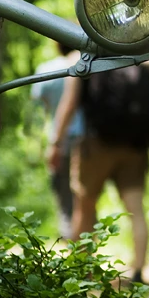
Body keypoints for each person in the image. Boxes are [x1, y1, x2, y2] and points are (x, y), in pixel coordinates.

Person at [46, 63, 149, 284]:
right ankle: (138, 270)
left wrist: (56, 143)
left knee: (85, 207)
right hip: (135, 146)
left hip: (95, 144)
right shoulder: (138, 60)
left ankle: (82, 270)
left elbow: (69, 105)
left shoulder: (87, 62)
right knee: (136, 209)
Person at [31, 43, 84, 239]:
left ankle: (69, 234)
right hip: (87, 137)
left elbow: (40, 111)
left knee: (62, 189)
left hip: (60, 138)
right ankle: (86, 236)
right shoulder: (87, 66)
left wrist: (42, 145)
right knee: (84, 192)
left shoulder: (45, 70)